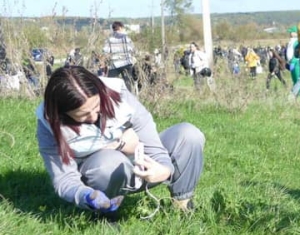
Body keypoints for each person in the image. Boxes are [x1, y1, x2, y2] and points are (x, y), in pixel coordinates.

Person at [36, 66, 205, 217]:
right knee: (109, 161)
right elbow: (64, 179)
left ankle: (182, 205)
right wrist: (84, 195)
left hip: (140, 166)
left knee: (188, 135)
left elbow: (153, 144)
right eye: (83, 116)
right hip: (101, 178)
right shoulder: (49, 124)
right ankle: (105, 213)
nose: (94, 116)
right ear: (63, 112)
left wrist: (165, 168)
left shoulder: (119, 94)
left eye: (97, 107)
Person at [102, 21, 137, 91]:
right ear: (120, 28)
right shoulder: (126, 38)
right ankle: (128, 98)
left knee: (109, 82)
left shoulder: (109, 39)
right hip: (127, 63)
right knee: (127, 82)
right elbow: (133, 50)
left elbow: (105, 51)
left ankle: (110, 97)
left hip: (115, 64)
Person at [285, 27, 300, 97]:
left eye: (292, 32)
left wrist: (294, 60)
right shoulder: (290, 41)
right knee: (294, 79)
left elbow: (298, 52)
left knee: (299, 79)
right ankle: (296, 93)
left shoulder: (297, 42)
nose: (290, 33)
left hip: (296, 62)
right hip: (291, 62)